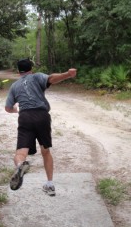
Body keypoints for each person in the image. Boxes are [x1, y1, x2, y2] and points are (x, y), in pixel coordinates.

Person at [5, 58, 77, 196]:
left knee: (21, 152)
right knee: (46, 151)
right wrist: (67, 74)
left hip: (25, 117)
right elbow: (51, 79)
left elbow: (8, 108)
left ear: (18, 71)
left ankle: (20, 166)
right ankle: (49, 185)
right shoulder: (37, 77)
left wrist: (16, 110)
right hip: (41, 116)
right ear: (31, 69)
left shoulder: (14, 86)